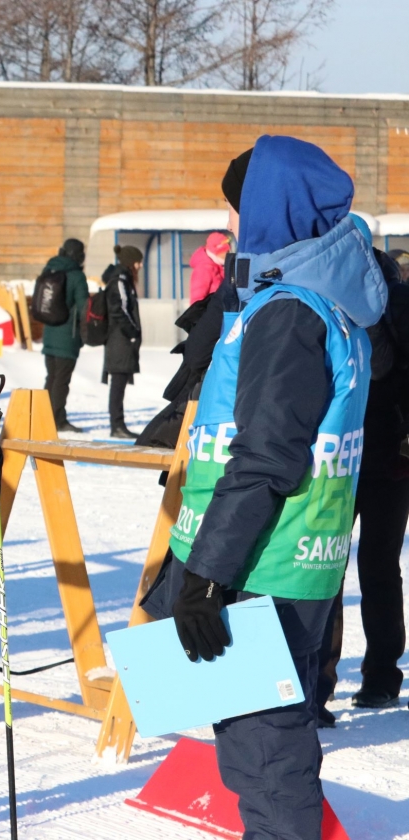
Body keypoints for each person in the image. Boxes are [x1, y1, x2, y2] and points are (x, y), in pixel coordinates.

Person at [143, 136, 385, 840]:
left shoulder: (290, 312)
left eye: (238, 208)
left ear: (270, 209)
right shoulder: (320, 304)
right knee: (255, 755)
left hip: (260, 569)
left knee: (269, 760)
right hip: (286, 561)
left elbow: (265, 455)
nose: (233, 223)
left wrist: (207, 576)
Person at [315, 248, 409, 723]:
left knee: (350, 568)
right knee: (349, 569)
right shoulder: (339, 308)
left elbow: (382, 369)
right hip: (362, 460)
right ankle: (334, 684)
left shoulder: (381, 309)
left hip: (372, 458)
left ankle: (368, 679)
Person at [39, 238, 89, 433]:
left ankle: (44, 417)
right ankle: (58, 420)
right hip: (67, 336)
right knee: (61, 380)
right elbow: (85, 306)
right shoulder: (76, 275)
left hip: (49, 333)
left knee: (51, 377)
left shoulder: (49, 269)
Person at [102, 245, 143, 439]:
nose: (140, 265)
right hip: (119, 340)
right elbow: (120, 309)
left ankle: (118, 424)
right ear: (130, 262)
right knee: (117, 383)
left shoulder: (123, 279)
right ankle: (116, 425)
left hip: (121, 340)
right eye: (138, 261)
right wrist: (132, 331)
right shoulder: (120, 280)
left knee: (119, 383)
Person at [189, 232, 232, 304]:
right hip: (211, 313)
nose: (228, 254)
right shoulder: (204, 268)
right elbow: (197, 300)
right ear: (216, 251)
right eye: (225, 252)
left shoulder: (219, 266)